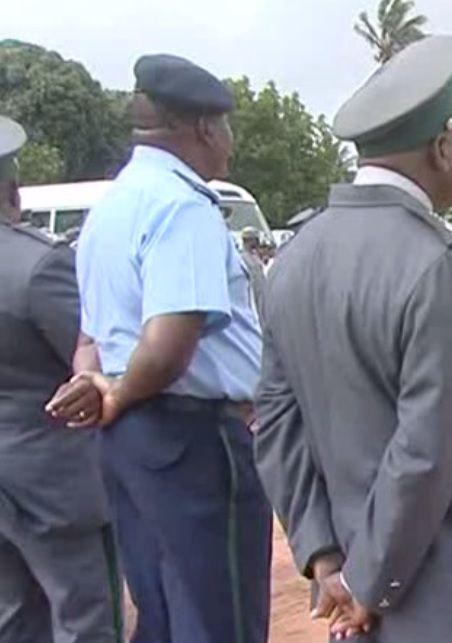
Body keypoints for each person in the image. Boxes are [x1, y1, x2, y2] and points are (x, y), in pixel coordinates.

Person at [253, 36, 452, 642]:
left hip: (353, 575)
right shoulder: (442, 261)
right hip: (449, 589)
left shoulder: (296, 258)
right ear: (440, 147)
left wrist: (326, 558)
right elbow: (426, 447)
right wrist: (367, 584)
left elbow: (277, 424)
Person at [48, 55, 272, 642]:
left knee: (164, 614)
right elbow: (170, 341)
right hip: (192, 439)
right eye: (226, 128)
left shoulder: (110, 210)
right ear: (203, 129)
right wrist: (118, 394)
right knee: (219, 617)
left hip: (132, 444)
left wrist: (100, 386)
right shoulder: (181, 206)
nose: (229, 143)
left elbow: (89, 341)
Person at [0, 116, 121, 642]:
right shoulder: (38, 266)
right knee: (85, 619)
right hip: (54, 483)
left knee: (13, 618)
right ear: (12, 190)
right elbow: (94, 360)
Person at [240, 226, 267, 322]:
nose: (257, 242)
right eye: (255, 239)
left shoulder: (255, 257)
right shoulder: (242, 259)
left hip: (262, 296)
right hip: (252, 299)